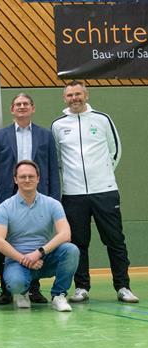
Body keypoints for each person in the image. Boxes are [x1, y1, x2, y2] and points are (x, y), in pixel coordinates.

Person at [51, 81, 138, 303]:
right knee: (78, 243)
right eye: (70, 95)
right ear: (64, 98)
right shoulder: (58, 125)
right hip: (73, 195)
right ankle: (81, 287)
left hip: (105, 192)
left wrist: (103, 175)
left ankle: (123, 286)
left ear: (86, 95)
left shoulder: (102, 119)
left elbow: (115, 151)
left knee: (115, 240)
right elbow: (57, 159)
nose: (74, 98)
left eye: (78, 94)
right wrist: (72, 180)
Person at [0, 93, 59, 305]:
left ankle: (33, 289)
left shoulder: (46, 135)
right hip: (7, 195)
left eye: (26, 104)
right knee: (5, 240)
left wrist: (54, 197)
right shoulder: (1, 136)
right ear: (12, 109)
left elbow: (53, 168)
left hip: (39, 194)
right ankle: (6, 290)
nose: (22, 106)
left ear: (32, 108)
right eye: (18, 104)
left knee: (36, 240)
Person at [0, 160, 79, 312]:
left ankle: (58, 295)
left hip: (44, 258)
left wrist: (39, 253)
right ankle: (22, 293)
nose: (27, 180)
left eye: (31, 176)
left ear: (38, 178)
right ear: (15, 179)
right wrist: (24, 260)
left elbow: (65, 234)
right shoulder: (4, 207)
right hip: (17, 261)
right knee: (16, 283)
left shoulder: (53, 204)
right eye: (22, 176)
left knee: (71, 250)